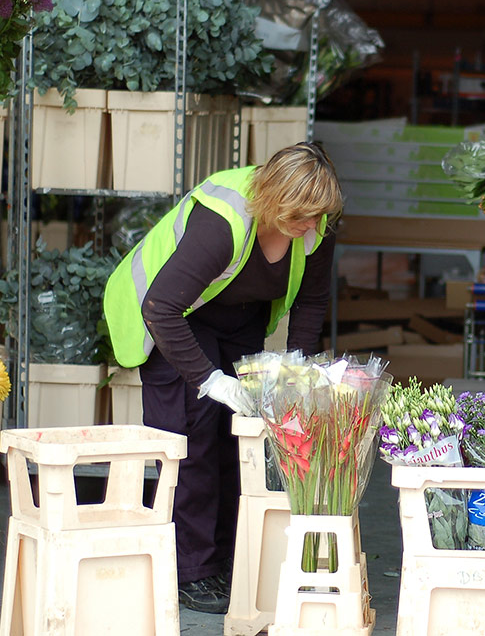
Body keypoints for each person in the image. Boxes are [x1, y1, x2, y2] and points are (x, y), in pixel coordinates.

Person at [102, 142, 342, 614]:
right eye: (301, 218)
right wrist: (211, 381)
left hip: (235, 313)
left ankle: (231, 559)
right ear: (274, 201)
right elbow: (161, 307)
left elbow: (312, 303)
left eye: (318, 219)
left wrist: (298, 371)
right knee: (193, 439)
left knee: (241, 440)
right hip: (170, 316)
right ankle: (190, 570)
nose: (311, 228)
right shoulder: (222, 222)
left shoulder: (315, 223)